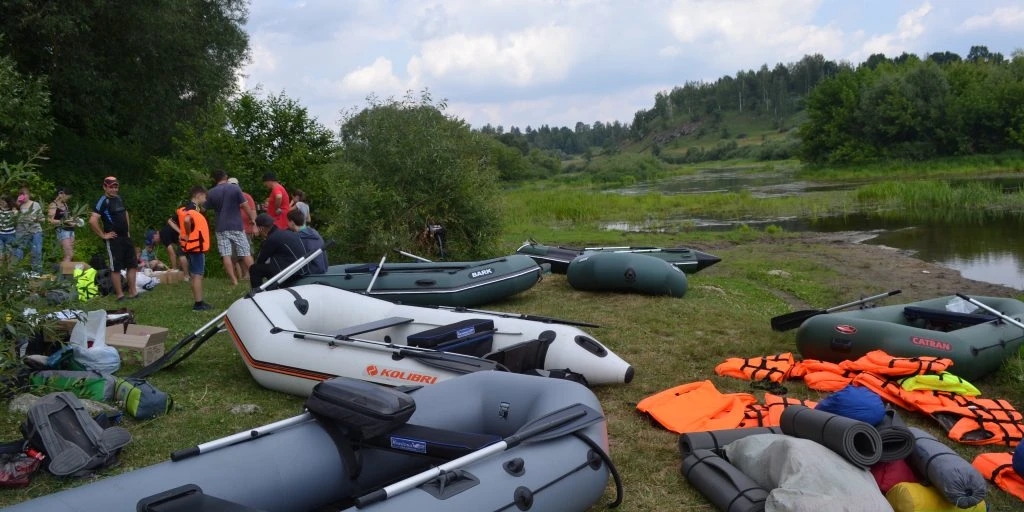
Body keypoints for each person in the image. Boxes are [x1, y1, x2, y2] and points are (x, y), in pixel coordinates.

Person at [88, 176, 138, 300]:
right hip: (114, 239)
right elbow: (92, 220)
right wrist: (103, 235)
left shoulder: (119, 198)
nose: (114, 190)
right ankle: (120, 295)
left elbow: (125, 213)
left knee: (132, 265)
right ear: (105, 187)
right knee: (116, 268)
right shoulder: (103, 201)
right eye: (111, 187)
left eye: (116, 187)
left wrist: (128, 231)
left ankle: (133, 292)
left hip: (125, 237)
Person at [205, 170, 256, 286]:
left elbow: (203, 208)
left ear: (214, 179)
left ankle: (234, 280)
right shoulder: (235, 189)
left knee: (226, 254)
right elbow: (245, 205)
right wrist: (252, 219)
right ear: (226, 177)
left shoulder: (211, 192)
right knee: (245, 252)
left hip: (221, 227)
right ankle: (255, 277)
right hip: (236, 226)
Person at [178, 185, 212, 311]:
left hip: (192, 246)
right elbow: (187, 220)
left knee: (194, 274)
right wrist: (187, 234)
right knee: (197, 274)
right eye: (205, 196)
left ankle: (198, 301)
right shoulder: (193, 209)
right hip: (196, 247)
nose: (205, 199)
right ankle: (199, 304)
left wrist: (186, 234)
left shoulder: (188, 207)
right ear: (199, 195)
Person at [250, 213, 306, 289]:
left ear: (261, 228)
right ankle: (272, 287)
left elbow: (260, 260)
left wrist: (264, 241)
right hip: (302, 270)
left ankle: (257, 294)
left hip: (289, 274)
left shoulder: (272, 238)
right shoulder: (286, 233)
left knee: (254, 269)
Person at [230, 176, 258, 280]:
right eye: (231, 186)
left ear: (238, 186)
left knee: (247, 252)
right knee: (237, 256)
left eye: (234, 185)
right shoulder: (227, 199)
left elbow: (253, 211)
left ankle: (252, 274)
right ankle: (245, 275)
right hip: (232, 229)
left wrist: (254, 225)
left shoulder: (246, 196)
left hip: (245, 228)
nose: (233, 187)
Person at [287, 208, 327, 274]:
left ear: (292, 222)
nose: (287, 223)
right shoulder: (315, 233)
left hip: (310, 274)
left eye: (288, 221)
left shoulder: (297, 238)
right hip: (323, 270)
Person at [14, 185, 44, 273]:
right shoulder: (17, 205)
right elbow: (13, 218)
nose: (24, 196)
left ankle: (36, 271)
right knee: (19, 252)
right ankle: (17, 273)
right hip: (21, 231)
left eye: (25, 194)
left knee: (36, 251)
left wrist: (35, 219)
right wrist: (17, 205)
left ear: (29, 195)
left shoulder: (36, 204)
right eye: (21, 194)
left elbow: (42, 218)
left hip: (35, 231)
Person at [48, 186, 78, 263]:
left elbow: (67, 217)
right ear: (61, 194)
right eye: (67, 197)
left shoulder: (65, 204)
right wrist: (64, 221)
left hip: (70, 230)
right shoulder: (53, 205)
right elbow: (50, 220)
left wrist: (74, 221)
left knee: (70, 254)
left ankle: (65, 272)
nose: (67, 199)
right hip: (62, 230)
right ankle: (63, 273)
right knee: (69, 254)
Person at [157, 214, 189, 278]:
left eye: (154, 240)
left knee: (181, 255)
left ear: (156, 234)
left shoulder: (163, 234)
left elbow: (172, 254)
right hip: (186, 233)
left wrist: (174, 269)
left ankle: (182, 274)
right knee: (183, 254)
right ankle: (185, 274)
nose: (156, 242)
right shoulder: (167, 230)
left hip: (183, 235)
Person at [0, 196, 16, 262]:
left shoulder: (13, 211)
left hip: (10, 235)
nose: (2, 202)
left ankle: (10, 271)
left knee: (10, 254)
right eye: (1, 201)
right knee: (0, 255)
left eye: (4, 201)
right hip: (0, 234)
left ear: (8, 202)